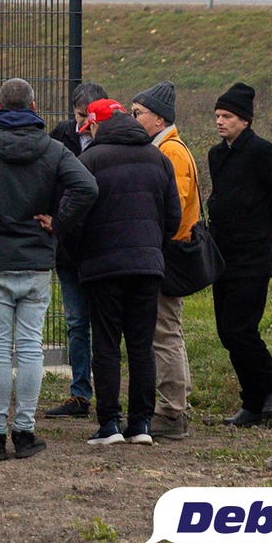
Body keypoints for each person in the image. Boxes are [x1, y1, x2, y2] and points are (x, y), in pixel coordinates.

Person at [0, 78, 98, 461]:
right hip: (37, 261)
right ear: (33, 105)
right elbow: (87, 187)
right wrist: (58, 222)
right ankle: (24, 432)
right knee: (30, 349)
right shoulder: (54, 149)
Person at [73, 99, 182, 444]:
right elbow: (174, 217)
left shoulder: (88, 161)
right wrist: (152, 246)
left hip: (102, 267)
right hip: (148, 267)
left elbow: (72, 213)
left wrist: (79, 253)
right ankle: (142, 425)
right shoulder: (159, 158)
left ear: (96, 126)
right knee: (141, 345)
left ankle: (109, 425)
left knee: (105, 344)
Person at [207, 82, 272, 426]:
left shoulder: (262, 151)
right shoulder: (216, 155)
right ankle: (254, 403)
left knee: (241, 327)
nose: (220, 122)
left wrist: (268, 233)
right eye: (217, 115)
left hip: (253, 257)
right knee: (226, 330)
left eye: (227, 116)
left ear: (245, 120)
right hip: (224, 256)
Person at [129, 81, 201, 440]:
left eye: (138, 113)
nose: (133, 118)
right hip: (164, 251)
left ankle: (172, 412)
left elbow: (171, 206)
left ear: (158, 118)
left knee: (164, 333)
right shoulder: (165, 147)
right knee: (165, 332)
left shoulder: (170, 152)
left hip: (167, 252)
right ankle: (173, 408)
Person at [45, 82, 106, 419]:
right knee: (75, 321)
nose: (84, 122)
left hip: (101, 245)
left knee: (104, 322)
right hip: (68, 245)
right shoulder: (60, 136)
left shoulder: (111, 138)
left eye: (89, 116)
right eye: (79, 115)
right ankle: (80, 393)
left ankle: (108, 392)